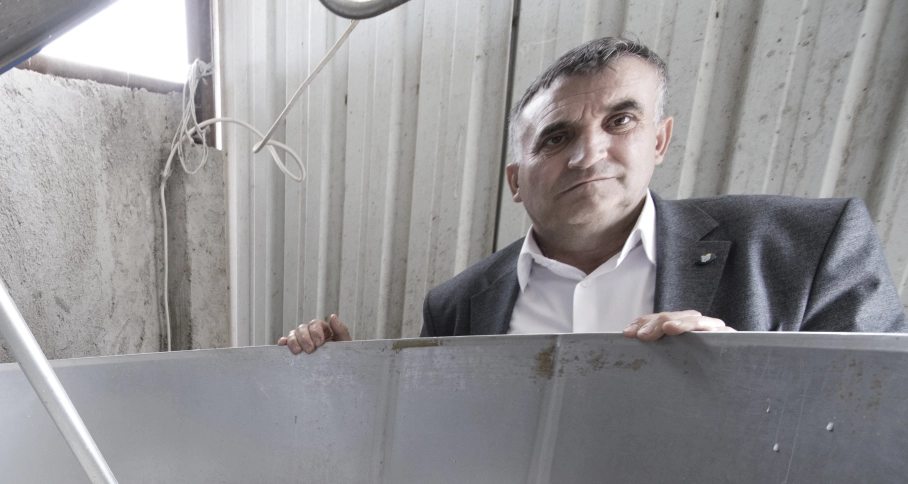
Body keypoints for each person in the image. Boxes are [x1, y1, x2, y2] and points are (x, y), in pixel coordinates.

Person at [280, 36, 906, 353]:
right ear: (516, 181)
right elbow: (442, 445)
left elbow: (876, 434)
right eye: (556, 138)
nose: (588, 155)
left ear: (659, 139)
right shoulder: (458, 307)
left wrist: (746, 374)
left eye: (619, 120)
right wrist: (352, 384)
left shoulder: (807, 250)